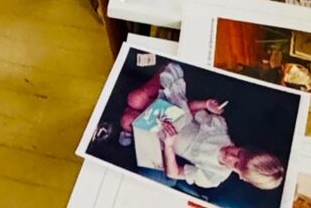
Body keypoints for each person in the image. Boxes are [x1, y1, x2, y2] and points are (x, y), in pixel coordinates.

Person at [120, 62, 285, 192]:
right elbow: (189, 110)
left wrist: (169, 146)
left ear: (243, 178)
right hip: (174, 113)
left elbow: (173, 173)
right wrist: (206, 104)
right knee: (134, 99)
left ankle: (129, 129)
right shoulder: (220, 129)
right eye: (239, 153)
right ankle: (159, 76)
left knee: (127, 119)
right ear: (246, 147)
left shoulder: (214, 177)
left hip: (164, 139)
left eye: (235, 165)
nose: (230, 156)